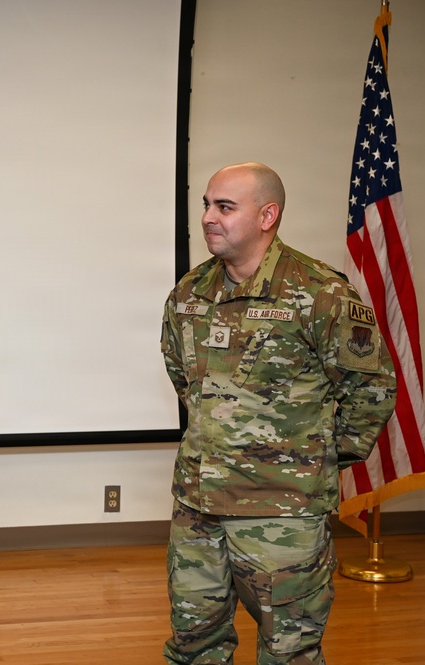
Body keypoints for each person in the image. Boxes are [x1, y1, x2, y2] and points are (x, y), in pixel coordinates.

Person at [159, 162, 397, 664]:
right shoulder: (189, 293)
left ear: (268, 215)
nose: (208, 217)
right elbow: (185, 379)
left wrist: (314, 459)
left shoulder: (320, 292)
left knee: (289, 650)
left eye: (225, 206)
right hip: (198, 509)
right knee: (193, 644)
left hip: (282, 512)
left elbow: (370, 389)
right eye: (206, 204)